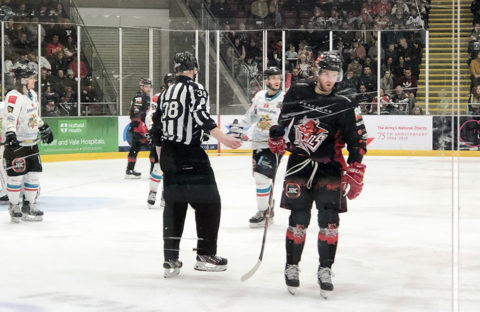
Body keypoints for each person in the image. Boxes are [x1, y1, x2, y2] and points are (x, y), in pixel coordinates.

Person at [269, 51, 367, 296]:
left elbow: (358, 139)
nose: (330, 79)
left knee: (330, 222)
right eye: (326, 73)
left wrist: (356, 166)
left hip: (330, 167)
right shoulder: (299, 91)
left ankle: (325, 268)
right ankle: (292, 266)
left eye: (334, 74)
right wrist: (276, 135)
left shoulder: (345, 101)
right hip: (300, 162)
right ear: (317, 71)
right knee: (298, 219)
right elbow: (283, 121)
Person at [152, 51, 242, 278]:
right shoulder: (195, 88)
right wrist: (225, 139)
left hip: (170, 155)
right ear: (194, 68)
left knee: (175, 206)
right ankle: (205, 253)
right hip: (190, 154)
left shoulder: (165, 93)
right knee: (210, 203)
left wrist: (163, 160)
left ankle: (170, 258)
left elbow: (157, 130)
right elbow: (201, 117)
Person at [2, 65, 54, 223]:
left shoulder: (33, 94)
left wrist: (42, 126)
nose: (34, 80)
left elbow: (33, 116)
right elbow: (9, 117)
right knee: (15, 176)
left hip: (32, 142)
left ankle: (29, 204)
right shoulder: (13, 96)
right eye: (31, 78)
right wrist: (10, 132)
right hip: (17, 144)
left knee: (34, 174)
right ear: (23, 80)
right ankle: (13, 205)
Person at [234, 67, 284, 227]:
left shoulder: (285, 99)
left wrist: (284, 136)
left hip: (275, 145)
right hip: (258, 143)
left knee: (262, 177)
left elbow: (291, 122)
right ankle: (268, 205)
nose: (277, 81)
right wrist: (238, 127)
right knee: (259, 177)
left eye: (279, 78)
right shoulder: (260, 97)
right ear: (266, 80)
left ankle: (264, 212)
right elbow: (251, 116)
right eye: (274, 78)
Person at [146, 73, 175, 208]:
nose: (171, 83)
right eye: (169, 81)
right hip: (160, 135)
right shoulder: (157, 97)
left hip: (173, 136)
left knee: (171, 168)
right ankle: (153, 192)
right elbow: (151, 115)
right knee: (158, 166)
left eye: (173, 81)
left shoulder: (178, 96)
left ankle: (166, 193)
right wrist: (153, 130)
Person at [125, 78, 152, 178]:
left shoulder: (145, 96)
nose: (149, 88)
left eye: (149, 86)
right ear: (141, 86)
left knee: (135, 149)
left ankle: (129, 170)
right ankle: (154, 172)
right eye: (146, 86)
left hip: (140, 127)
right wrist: (141, 128)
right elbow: (136, 114)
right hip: (140, 128)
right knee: (153, 148)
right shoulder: (140, 97)